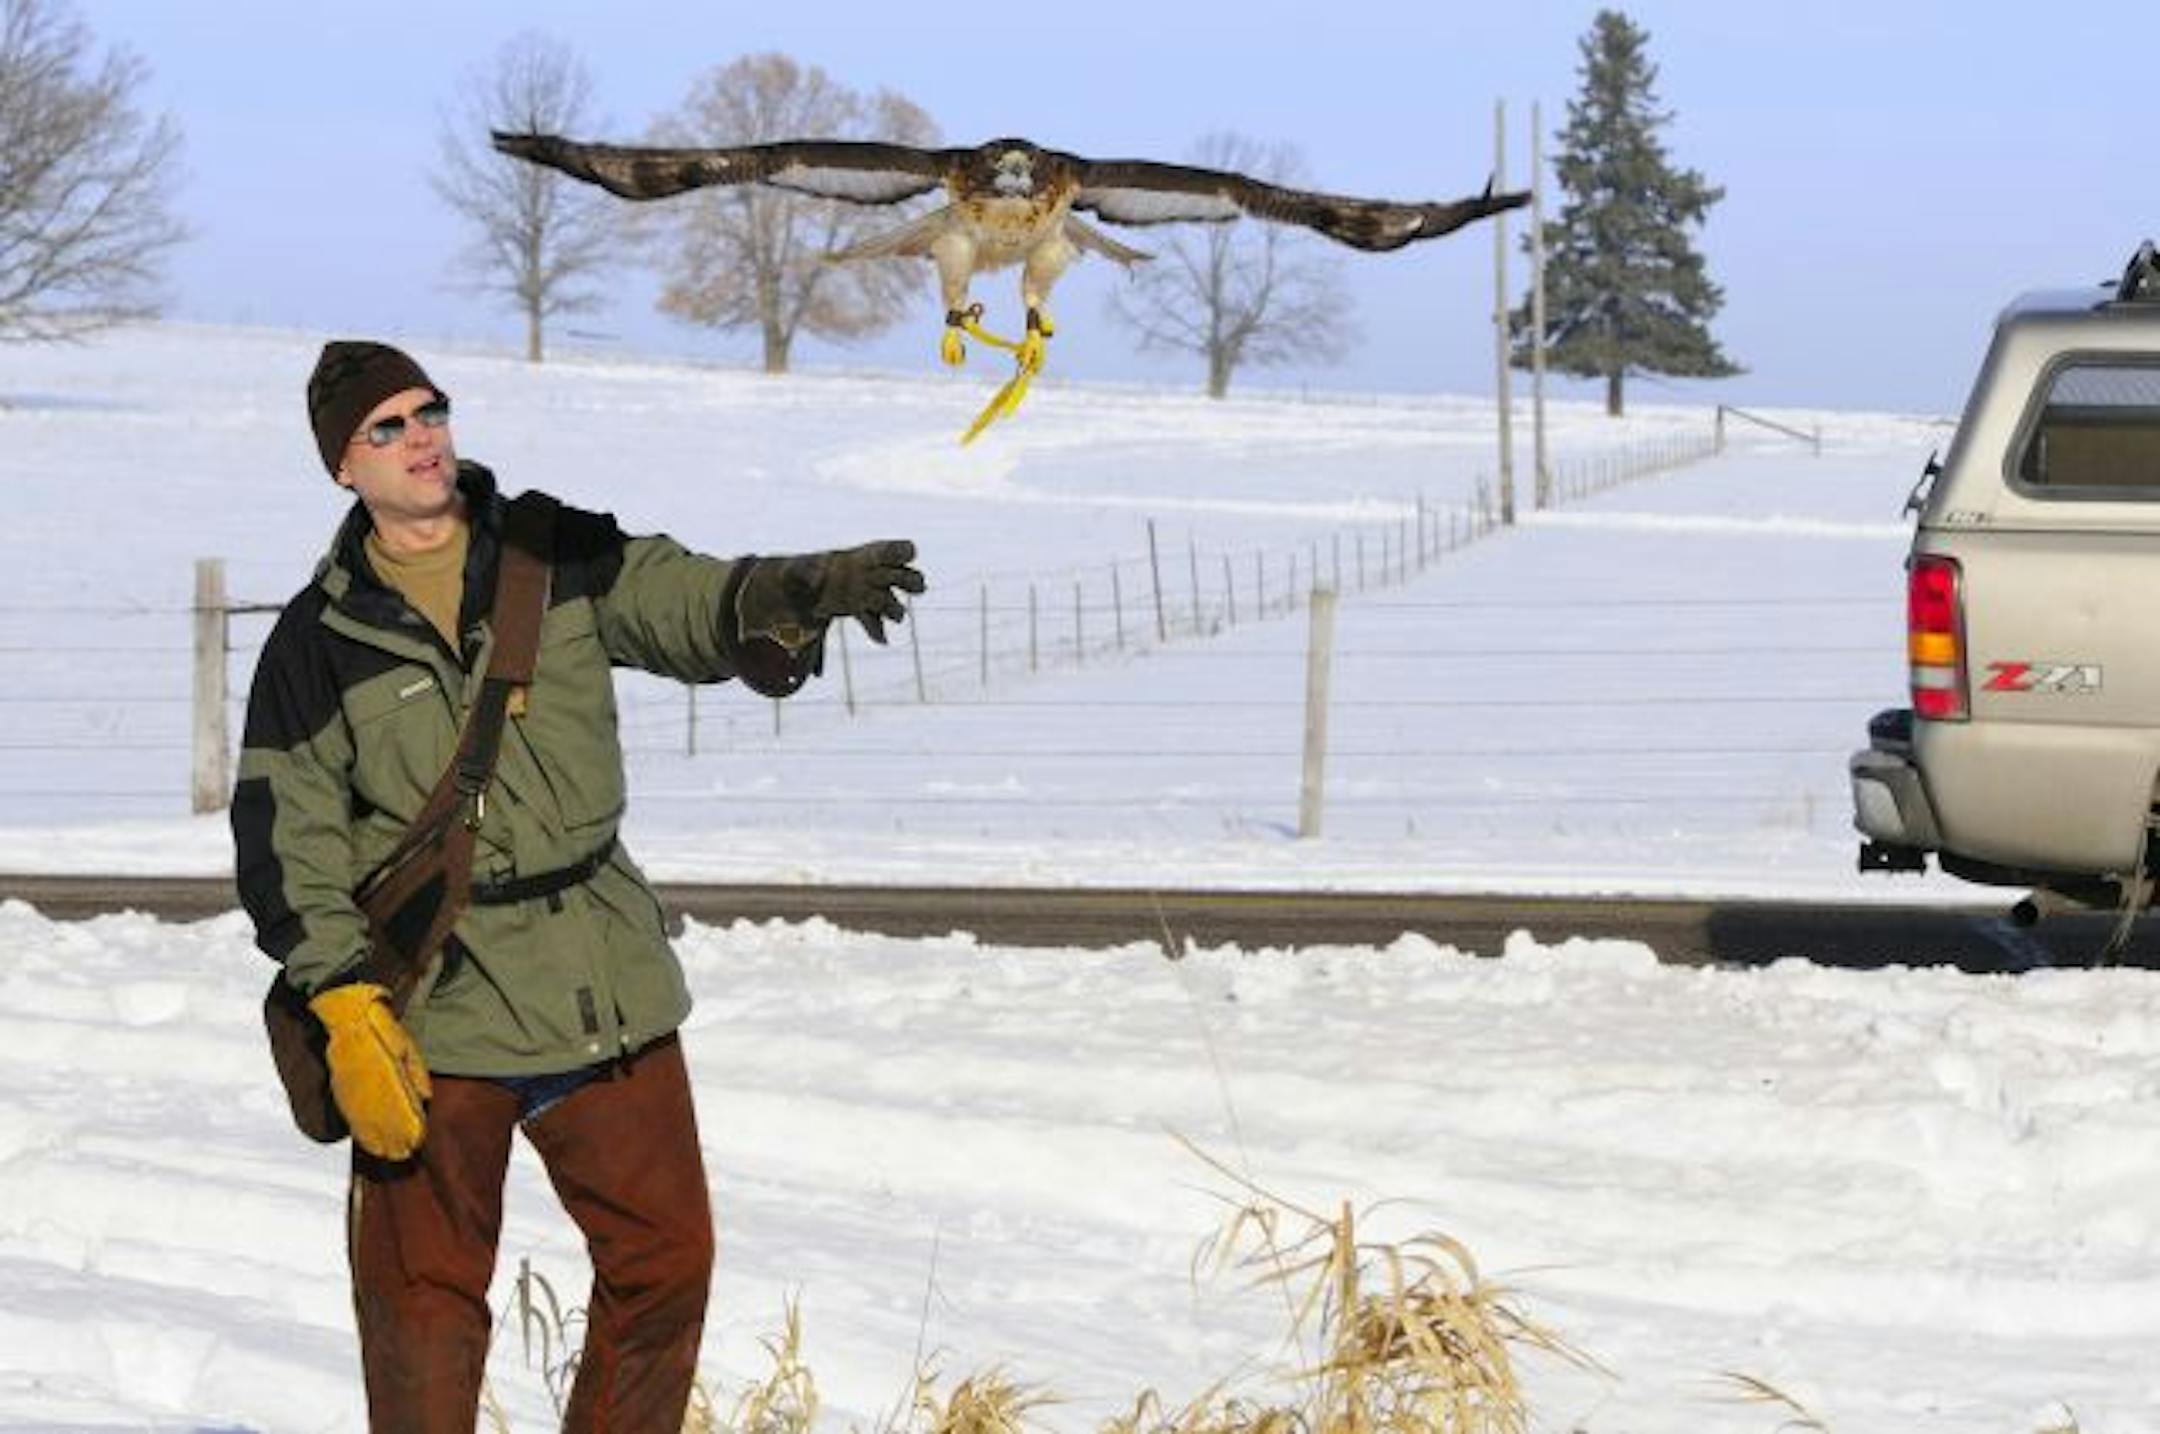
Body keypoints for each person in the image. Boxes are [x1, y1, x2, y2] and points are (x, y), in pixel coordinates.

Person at [231, 340, 923, 1431]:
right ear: (343, 470)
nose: (422, 439)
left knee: (666, 1263)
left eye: (431, 412)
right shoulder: (316, 644)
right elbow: (287, 842)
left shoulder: (550, 550)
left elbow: (678, 596)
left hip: (606, 980)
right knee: (422, 1308)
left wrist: (783, 591)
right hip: (433, 1006)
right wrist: (343, 997)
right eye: (388, 428)